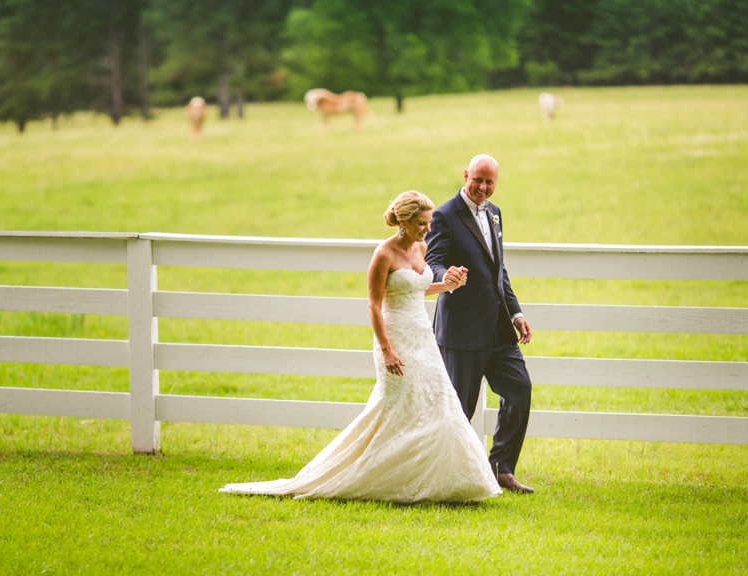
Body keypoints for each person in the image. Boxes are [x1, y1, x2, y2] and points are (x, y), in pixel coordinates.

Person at [220, 191, 501, 503]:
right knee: (395, 409)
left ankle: (446, 482)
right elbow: (374, 306)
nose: (428, 228)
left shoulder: (422, 247)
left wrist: (447, 285)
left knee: (439, 405)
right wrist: (387, 350)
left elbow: (417, 290)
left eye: (429, 221)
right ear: (404, 223)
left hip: (423, 337)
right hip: (394, 338)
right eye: (422, 223)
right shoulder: (384, 254)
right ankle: (366, 476)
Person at [424, 154, 535, 494]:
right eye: (478, 180)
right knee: (461, 408)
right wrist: (447, 276)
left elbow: (497, 270)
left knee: (520, 391)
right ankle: (449, 478)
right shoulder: (444, 215)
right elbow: (433, 260)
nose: (483, 188)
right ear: (466, 175)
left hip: (499, 330)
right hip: (462, 330)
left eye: (489, 183)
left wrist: (515, 313)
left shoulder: (495, 213)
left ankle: (501, 468)